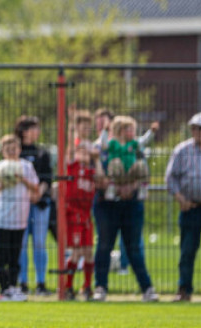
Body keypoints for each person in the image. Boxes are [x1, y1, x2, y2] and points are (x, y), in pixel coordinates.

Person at [92, 115, 158, 302]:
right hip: (107, 205)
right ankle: (101, 287)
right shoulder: (103, 148)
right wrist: (114, 187)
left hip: (131, 204)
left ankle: (147, 288)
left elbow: (143, 170)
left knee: (133, 247)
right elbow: (96, 176)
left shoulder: (136, 148)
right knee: (104, 245)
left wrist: (133, 186)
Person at [0, 135, 40, 301]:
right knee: (2, 255)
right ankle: (3, 289)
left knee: (15, 256)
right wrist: (3, 184)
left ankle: (13, 287)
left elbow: (35, 187)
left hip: (20, 218)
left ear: (19, 149)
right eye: (8, 149)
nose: (11, 151)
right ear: (3, 151)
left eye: (14, 148)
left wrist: (21, 179)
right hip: (2, 218)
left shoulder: (26, 167)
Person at [15, 116, 54, 296]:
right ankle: (22, 282)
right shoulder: (16, 152)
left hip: (40, 204)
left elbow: (47, 178)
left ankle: (41, 283)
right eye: (33, 128)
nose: (37, 132)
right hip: (20, 204)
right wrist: (26, 194)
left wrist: (38, 192)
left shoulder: (42, 153)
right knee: (20, 244)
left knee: (39, 243)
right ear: (24, 131)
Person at [166, 113, 201, 302]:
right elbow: (170, 178)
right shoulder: (182, 150)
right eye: (195, 128)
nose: (198, 132)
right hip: (190, 208)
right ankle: (184, 289)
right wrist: (180, 198)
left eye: (200, 128)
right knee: (187, 251)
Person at [61, 143, 97, 299]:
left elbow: (102, 179)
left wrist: (96, 157)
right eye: (79, 152)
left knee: (89, 252)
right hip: (74, 214)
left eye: (86, 153)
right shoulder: (72, 167)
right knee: (76, 252)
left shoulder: (91, 172)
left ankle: (87, 286)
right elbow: (67, 151)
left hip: (86, 215)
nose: (83, 155)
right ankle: (68, 286)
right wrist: (71, 130)